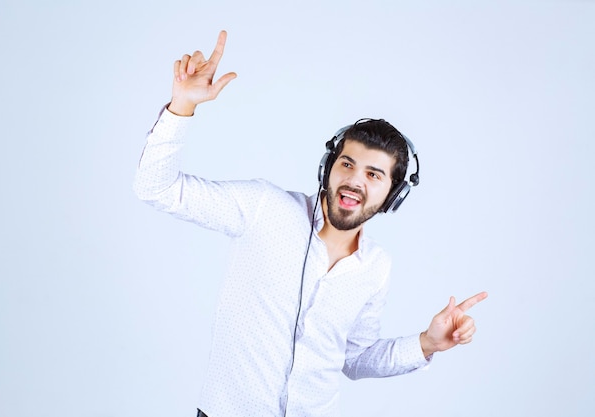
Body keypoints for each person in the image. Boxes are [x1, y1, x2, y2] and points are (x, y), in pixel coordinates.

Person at [133, 30, 487, 417]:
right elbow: (158, 188)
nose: (354, 179)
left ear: (393, 195)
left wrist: (426, 343)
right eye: (348, 164)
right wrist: (181, 106)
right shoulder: (264, 208)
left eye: (374, 174)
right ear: (328, 168)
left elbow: (355, 358)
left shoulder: (376, 268)